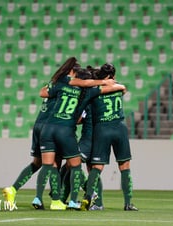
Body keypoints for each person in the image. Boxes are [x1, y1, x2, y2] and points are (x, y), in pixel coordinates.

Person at [33, 62, 124, 210]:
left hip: (90, 138)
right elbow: (113, 88)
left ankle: (88, 195)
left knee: (74, 165)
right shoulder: (92, 94)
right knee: (78, 167)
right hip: (95, 137)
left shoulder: (86, 96)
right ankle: (68, 197)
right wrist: (120, 87)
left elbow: (44, 92)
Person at [81, 63, 139, 211]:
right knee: (124, 166)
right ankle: (128, 203)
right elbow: (123, 89)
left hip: (102, 128)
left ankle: (91, 200)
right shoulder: (119, 87)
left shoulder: (94, 90)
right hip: (119, 127)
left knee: (97, 167)